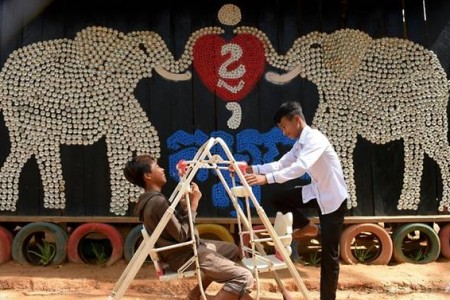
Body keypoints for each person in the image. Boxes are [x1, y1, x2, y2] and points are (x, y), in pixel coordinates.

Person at [243, 101, 348, 300]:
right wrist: (253, 169)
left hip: (333, 200)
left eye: (284, 126)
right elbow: (281, 164)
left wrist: (266, 179)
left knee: (329, 256)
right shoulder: (299, 144)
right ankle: (308, 227)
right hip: (316, 193)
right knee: (278, 199)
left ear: (297, 120)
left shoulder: (315, 139)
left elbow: (299, 167)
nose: (283, 132)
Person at [123, 155, 254, 300]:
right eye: (157, 167)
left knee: (232, 250)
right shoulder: (157, 202)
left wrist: (185, 208)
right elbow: (183, 234)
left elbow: (173, 228)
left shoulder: (149, 200)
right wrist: (193, 205)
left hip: (182, 250)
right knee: (244, 277)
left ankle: (195, 293)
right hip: (186, 255)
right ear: (148, 175)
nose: (162, 169)